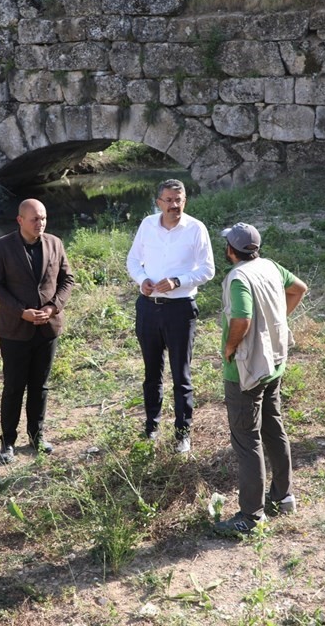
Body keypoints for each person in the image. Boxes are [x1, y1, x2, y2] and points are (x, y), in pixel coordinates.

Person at [215, 223, 307, 536]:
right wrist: (279, 321)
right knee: (273, 427)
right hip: (275, 363)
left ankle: (251, 516)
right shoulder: (270, 266)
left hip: (246, 368)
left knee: (247, 440)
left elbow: (242, 318)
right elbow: (299, 288)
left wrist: (230, 345)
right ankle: (284, 496)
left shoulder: (238, 278)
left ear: (230, 250)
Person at [126, 179, 215, 453]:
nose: (174, 205)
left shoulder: (196, 228)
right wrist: (142, 280)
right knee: (152, 372)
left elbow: (208, 269)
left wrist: (179, 281)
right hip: (148, 306)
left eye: (179, 200)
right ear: (159, 202)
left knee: (181, 374)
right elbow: (132, 260)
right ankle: (151, 427)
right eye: (169, 200)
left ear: (184, 200)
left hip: (180, 308)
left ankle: (182, 432)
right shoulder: (147, 226)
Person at [0, 199, 75, 463]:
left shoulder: (54, 243)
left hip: (47, 329)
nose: (41, 223)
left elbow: (67, 279)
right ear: (20, 220)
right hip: (14, 329)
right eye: (35, 219)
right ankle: (8, 442)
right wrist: (20, 311)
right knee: (14, 387)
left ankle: (36, 436)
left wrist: (53, 308)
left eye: (44, 218)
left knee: (41, 386)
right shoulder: (2, 247)